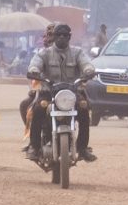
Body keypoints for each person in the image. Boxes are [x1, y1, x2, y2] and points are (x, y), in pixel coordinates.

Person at [24, 22, 97, 163]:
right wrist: (34, 70)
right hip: (49, 93)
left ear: (69, 37)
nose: (62, 38)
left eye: (65, 35)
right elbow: (35, 64)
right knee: (38, 109)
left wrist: (88, 70)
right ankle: (34, 147)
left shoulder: (78, 53)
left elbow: (86, 63)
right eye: (59, 35)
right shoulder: (44, 53)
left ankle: (82, 148)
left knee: (83, 109)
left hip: (71, 92)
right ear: (54, 37)